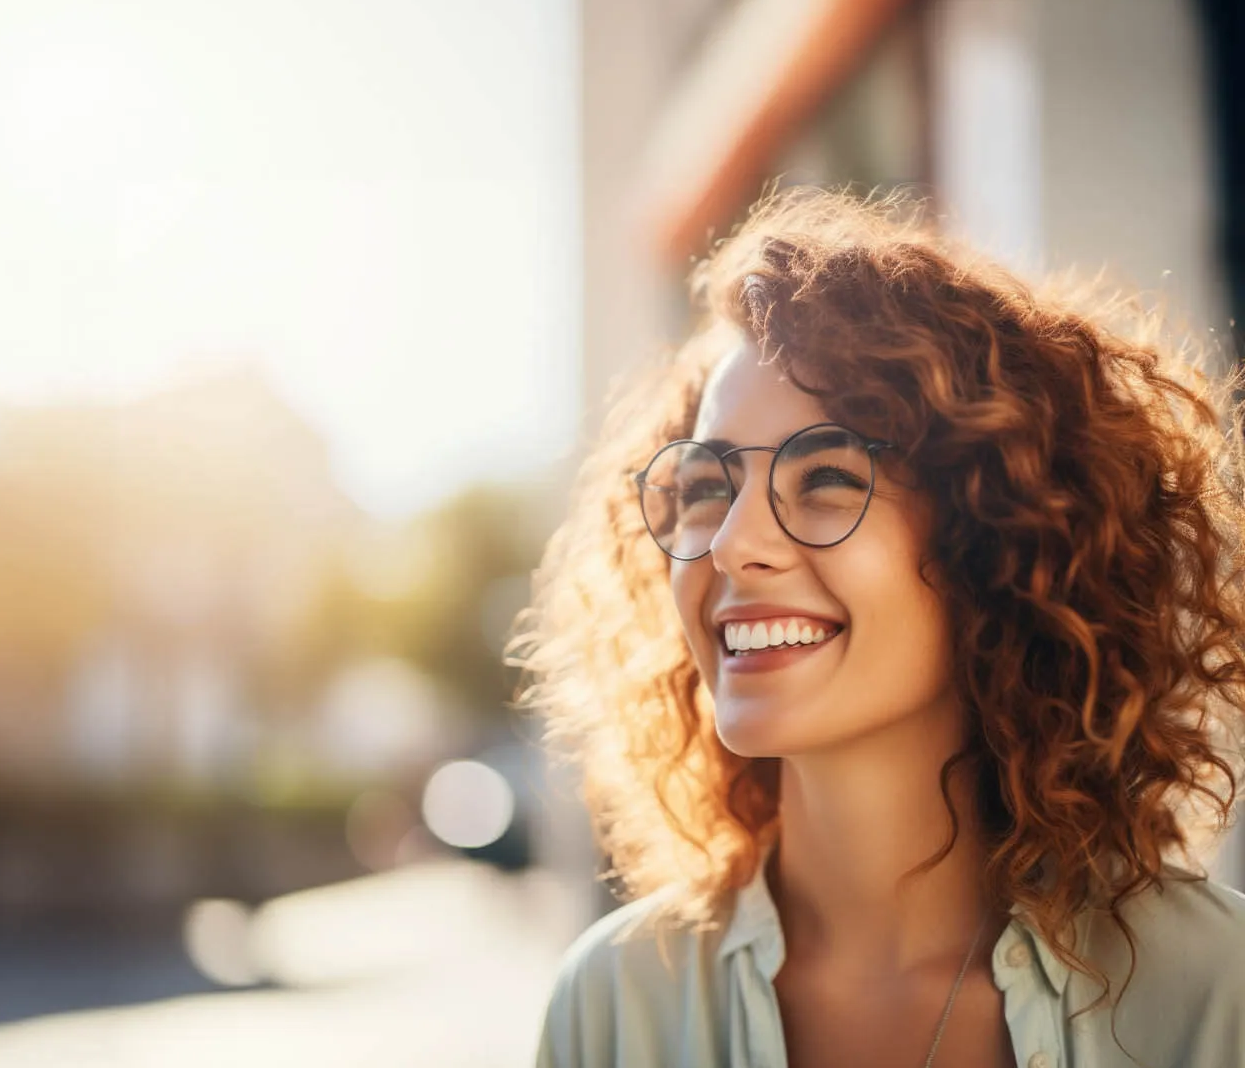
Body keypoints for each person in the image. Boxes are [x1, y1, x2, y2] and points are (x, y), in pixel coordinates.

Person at [517, 189, 1245, 1068]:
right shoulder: (615, 1008)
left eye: (825, 476)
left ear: (999, 536)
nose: (735, 543)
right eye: (709, 485)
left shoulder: (1214, 990)